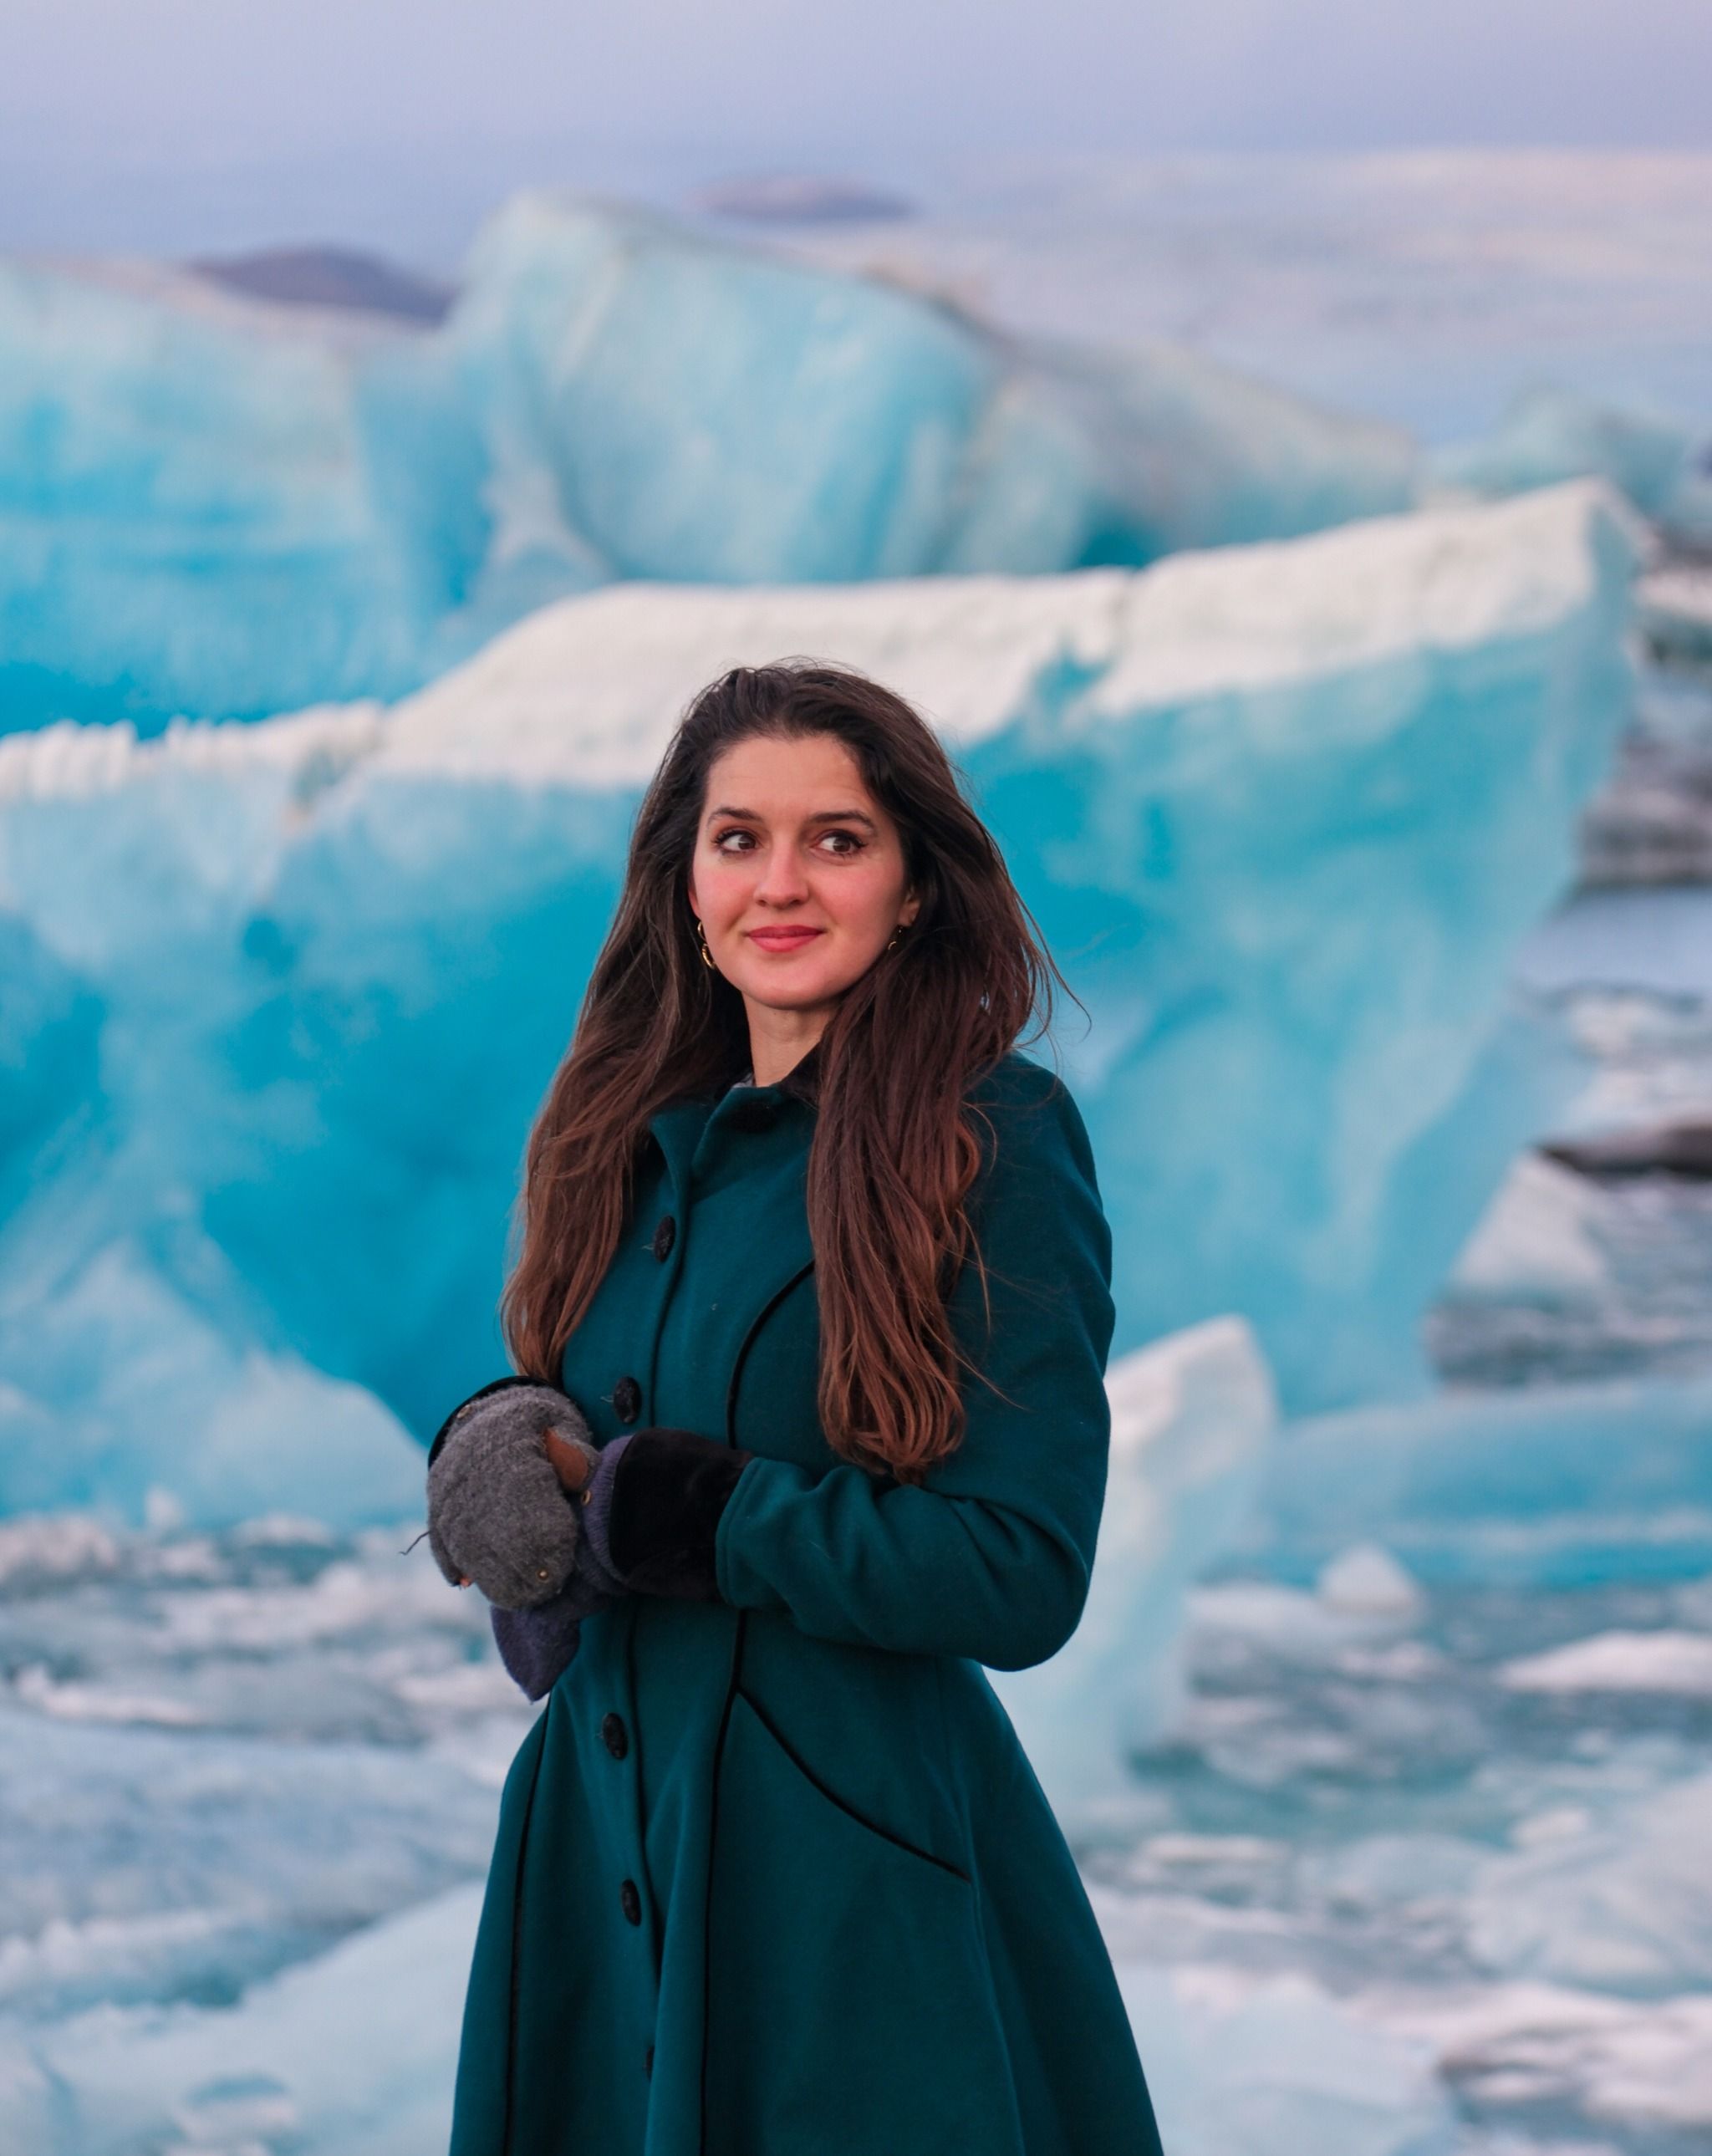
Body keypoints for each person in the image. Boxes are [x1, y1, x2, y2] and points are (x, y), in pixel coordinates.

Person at [424, 661, 1165, 2156]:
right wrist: (498, 1447)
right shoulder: (612, 1143)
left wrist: (701, 1514)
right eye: (738, 838)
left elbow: (1022, 1570)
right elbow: (594, 1438)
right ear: (683, 882)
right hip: (598, 1859)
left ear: (913, 886)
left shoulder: (992, 1139)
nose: (782, 882)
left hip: (841, 1893)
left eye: (837, 840)